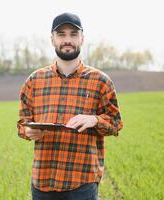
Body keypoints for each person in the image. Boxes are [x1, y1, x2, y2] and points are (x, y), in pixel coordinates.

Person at [17, 12, 123, 200]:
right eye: (61, 34)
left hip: (82, 182)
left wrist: (94, 120)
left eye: (73, 34)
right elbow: (22, 124)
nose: (68, 40)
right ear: (52, 39)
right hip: (43, 181)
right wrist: (28, 131)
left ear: (82, 39)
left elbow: (115, 124)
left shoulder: (101, 81)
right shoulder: (34, 81)